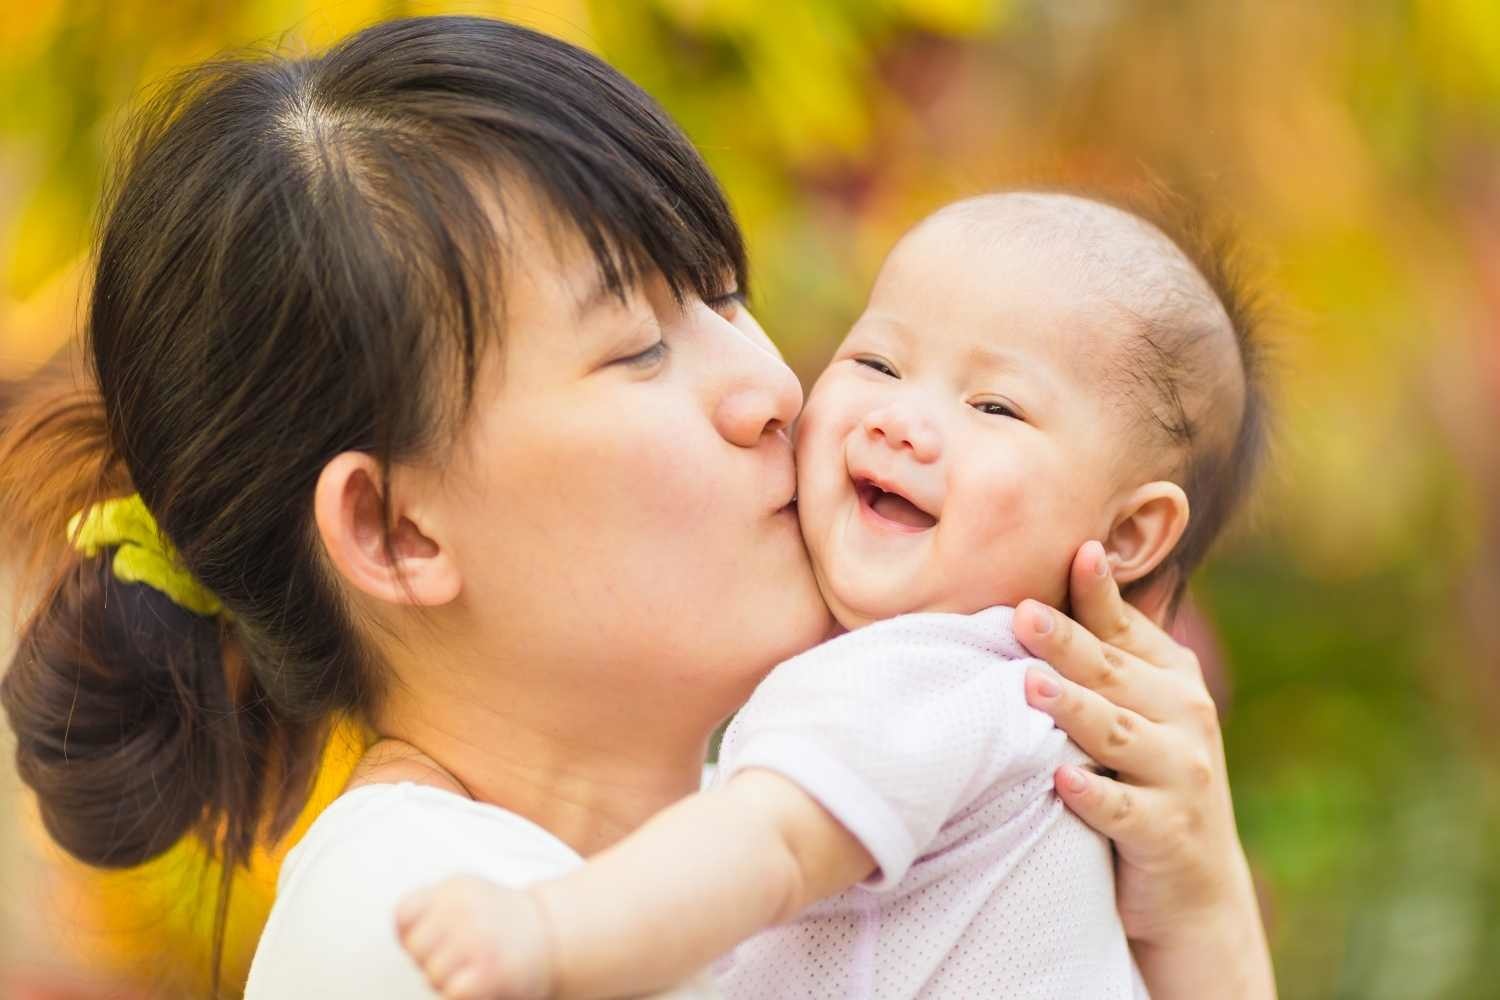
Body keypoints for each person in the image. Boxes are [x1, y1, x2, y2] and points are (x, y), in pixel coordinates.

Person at [0, 16, 1274, 1000]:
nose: (777, 388)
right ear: (398, 531)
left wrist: (1198, 919)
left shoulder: (765, 891)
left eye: (724, 295)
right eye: (638, 349)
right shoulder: (428, 925)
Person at [393, 191, 1267, 999]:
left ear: (1128, 537)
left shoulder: (932, 676)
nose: (899, 418)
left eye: (995, 407)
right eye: (880, 361)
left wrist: (547, 927)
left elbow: (766, 847)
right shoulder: (1031, 729)